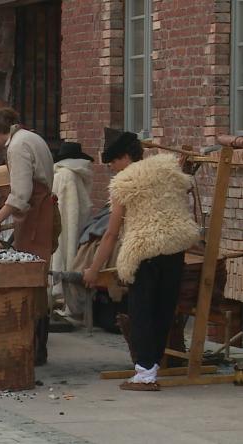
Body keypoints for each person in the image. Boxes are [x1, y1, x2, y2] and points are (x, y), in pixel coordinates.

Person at [83, 129, 199, 390]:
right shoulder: (168, 171)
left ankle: (145, 374)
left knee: (142, 312)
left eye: (113, 162)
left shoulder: (124, 183)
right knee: (163, 310)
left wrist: (93, 269)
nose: (113, 169)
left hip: (144, 251)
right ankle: (152, 366)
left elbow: (111, 234)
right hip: (174, 247)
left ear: (124, 157)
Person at [0, 107, 55, 365]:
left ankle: (33, 349)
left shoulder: (17, 146)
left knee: (30, 279)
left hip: (39, 218)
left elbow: (20, 194)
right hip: (40, 212)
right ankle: (37, 348)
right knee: (37, 279)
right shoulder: (32, 138)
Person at [51, 142, 94, 300]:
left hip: (65, 224)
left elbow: (64, 210)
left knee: (66, 250)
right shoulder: (79, 173)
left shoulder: (64, 175)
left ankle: (65, 292)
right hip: (80, 225)